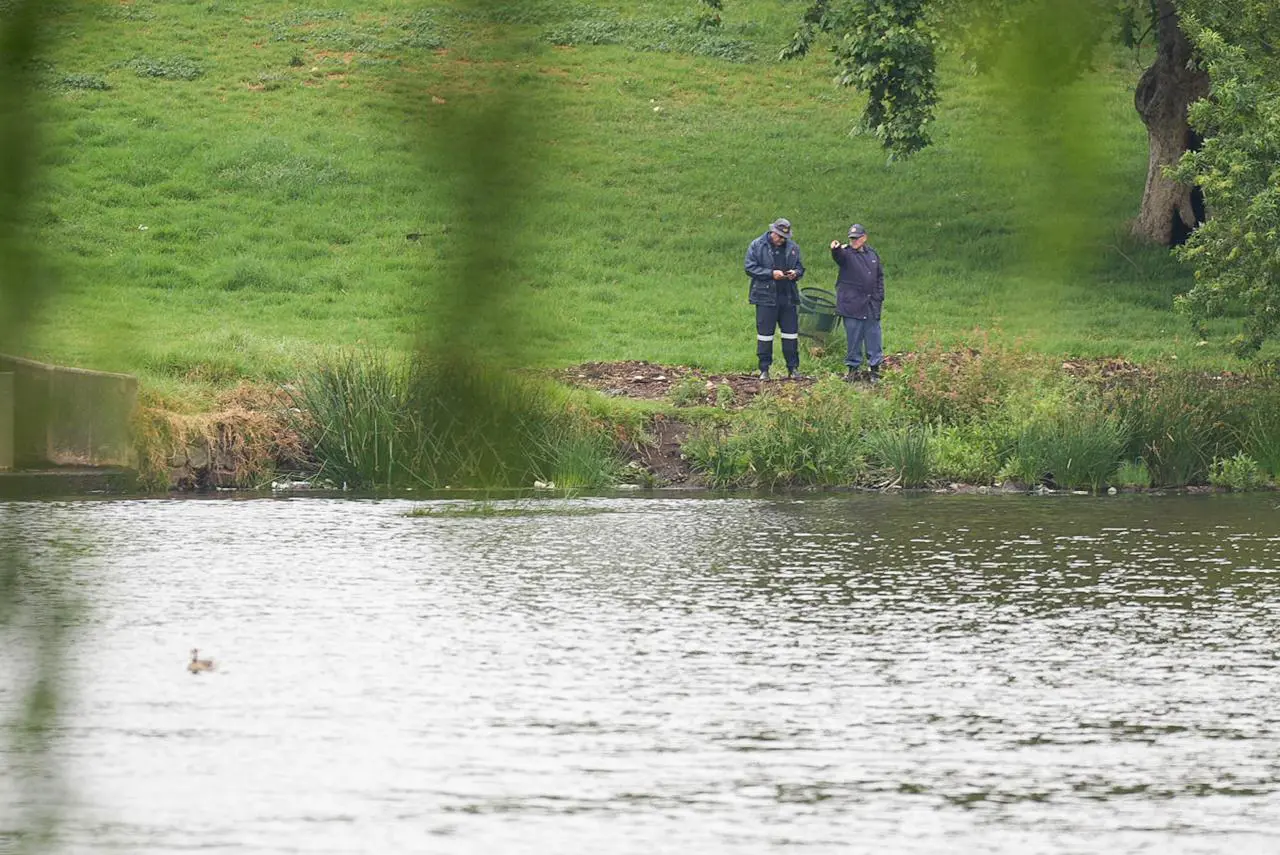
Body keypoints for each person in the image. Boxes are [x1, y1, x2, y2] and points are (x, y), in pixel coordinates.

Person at [744, 218, 805, 381]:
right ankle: (764, 369)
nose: (781, 240)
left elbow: (800, 267)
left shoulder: (793, 248)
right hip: (765, 297)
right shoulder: (757, 245)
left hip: (788, 298)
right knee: (765, 335)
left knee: (791, 335)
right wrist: (771, 274)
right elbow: (750, 268)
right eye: (779, 236)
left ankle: (793, 368)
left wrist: (796, 273)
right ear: (772, 232)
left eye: (784, 237)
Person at [829, 223, 885, 383]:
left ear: (864, 238)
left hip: (871, 304)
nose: (854, 241)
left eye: (857, 238)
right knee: (853, 338)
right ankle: (853, 371)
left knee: (874, 337)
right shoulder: (846, 254)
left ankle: (875, 370)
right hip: (851, 305)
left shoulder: (873, 255)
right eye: (851, 238)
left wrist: (879, 296)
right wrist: (835, 248)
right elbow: (838, 256)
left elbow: (879, 276)